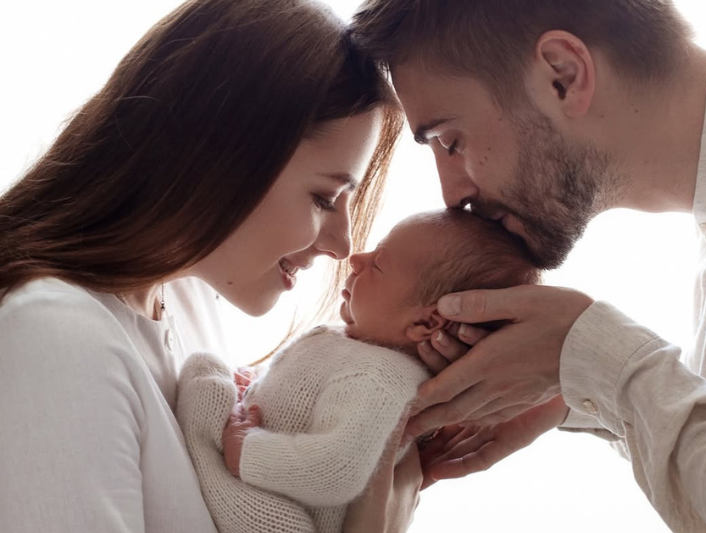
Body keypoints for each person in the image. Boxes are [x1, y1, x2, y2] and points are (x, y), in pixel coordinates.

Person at [350, 1, 706, 531]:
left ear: (563, 75)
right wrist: (570, 393)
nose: (452, 195)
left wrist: (595, 356)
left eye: (451, 141)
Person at [0, 0, 424, 531]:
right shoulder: (54, 336)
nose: (343, 246)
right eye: (323, 198)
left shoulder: (185, 303)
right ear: (223, 154)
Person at [176, 209, 540, 533]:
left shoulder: (380, 377)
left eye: (378, 264)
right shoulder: (357, 349)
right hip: (268, 490)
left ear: (427, 322)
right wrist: (256, 387)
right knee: (208, 372)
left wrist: (246, 452)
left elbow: (335, 471)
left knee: (203, 381)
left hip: (282, 519)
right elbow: (303, 404)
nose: (356, 259)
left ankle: (209, 461)